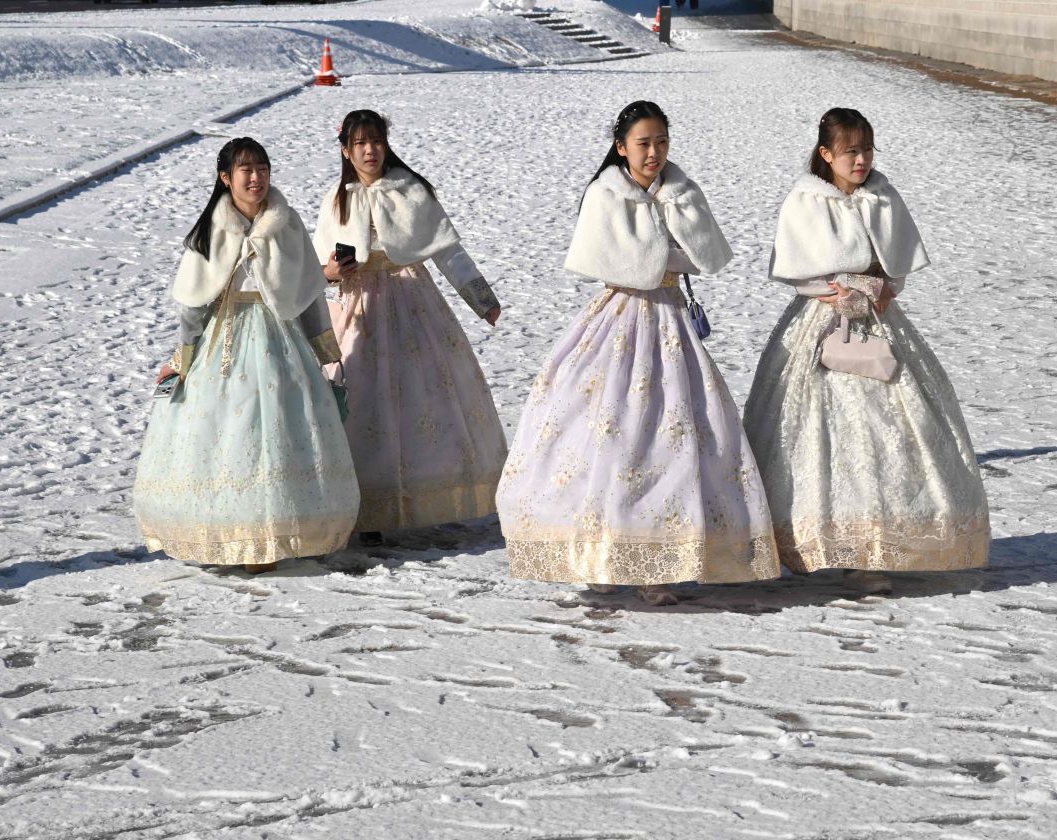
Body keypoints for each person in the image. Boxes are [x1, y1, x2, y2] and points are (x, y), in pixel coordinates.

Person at [496, 101, 779, 606]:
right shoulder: (605, 194)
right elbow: (615, 264)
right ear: (621, 145)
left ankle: (660, 564)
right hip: (621, 321)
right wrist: (663, 256)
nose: (654, 153)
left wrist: (666, 250)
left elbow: (705, 255)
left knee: (677, 439)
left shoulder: (682, 193)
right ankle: (603, 552)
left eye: (662, 142)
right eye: (643, 143)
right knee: (608, 434)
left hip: (672, 323)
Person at [743, 107, 990, 594]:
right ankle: (809, 539)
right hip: (822, 323)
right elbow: (795, 268)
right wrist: (834, 292)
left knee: (892, 431)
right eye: (850, 150)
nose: (861, 159)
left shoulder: (882, 195)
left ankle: (875, 548)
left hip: (879, 322)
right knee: (816, 432)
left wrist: (885, 286)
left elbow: (896, 261)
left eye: (867, 149)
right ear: (826, 154)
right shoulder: (807, 200)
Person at [134, 137, 359, 572]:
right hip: (226, 341)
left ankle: (282, 530)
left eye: (262, 169)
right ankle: (230, 531)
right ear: (225, 178)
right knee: (226, 434)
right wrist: (183, 357)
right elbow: (194, 303)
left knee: (280, 429)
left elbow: (309, 292)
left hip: (280, 339)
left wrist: (326, 352)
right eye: (246, 171)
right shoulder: (211, 230)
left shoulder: (286, 222)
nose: (256, 178)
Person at [314, 109, 508, 546]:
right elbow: (318, 263)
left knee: (419, 394)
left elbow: (447, 251)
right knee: (360, 396)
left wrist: (482, 299)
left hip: (410, 302)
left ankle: (419, 495)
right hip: (358, 305)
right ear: (345, 149)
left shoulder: (410, 190)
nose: (370, 150)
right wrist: (330, 272)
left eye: (377, 140)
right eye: (360, 143)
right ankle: (365, 503)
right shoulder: (336, 200)